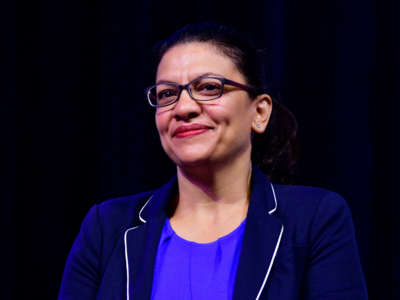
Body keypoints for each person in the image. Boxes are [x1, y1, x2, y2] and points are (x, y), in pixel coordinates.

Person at [58, 22, 368, 300]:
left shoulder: (314, 220)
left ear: (259, 112)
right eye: (167, 94)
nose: (183, 107)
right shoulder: (107, 228)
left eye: (208, 88)